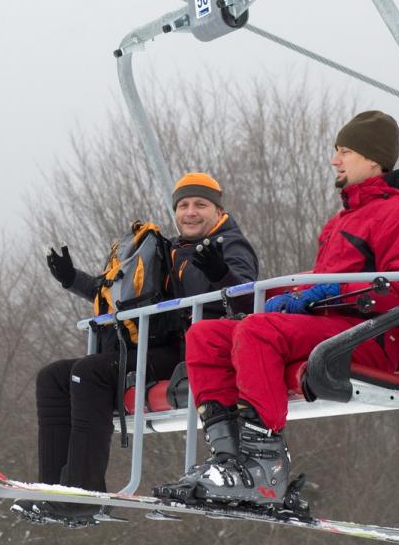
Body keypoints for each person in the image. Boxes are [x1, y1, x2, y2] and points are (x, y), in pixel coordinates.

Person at [154, 111, 399, 510]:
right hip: (326, 330)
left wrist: (321, 293)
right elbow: (324, 280)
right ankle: (229, 459)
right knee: (206, 335)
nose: (335, 160)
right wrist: (296, 295)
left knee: (258, 331)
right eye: (336, 151)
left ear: (374, 160)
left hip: (365, 337)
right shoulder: (342, 221)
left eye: (345, 151)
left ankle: (264, 464)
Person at [18, 172, 259, 523]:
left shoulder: (229, 244)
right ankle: (55, 488)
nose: (190, 212)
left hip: (199, 351)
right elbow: (130, 298)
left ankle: (82, 495)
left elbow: (249, 301)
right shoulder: (175, 249)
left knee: (90, 372)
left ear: (217, 209)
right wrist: (74, 280)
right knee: (53, 377)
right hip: (163, 343)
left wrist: (220, 271)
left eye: (200, 205)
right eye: (184, 205)